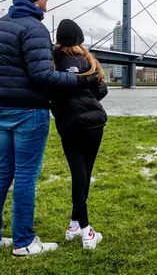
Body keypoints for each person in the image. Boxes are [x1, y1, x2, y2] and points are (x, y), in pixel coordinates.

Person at [0, 0, 101, 257]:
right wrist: (83, 80)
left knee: (3, 172)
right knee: (25, 177)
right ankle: (24, 242)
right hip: (28, 111)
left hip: (1, 108)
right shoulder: (34, 29)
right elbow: (43, 75)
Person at [50, 19, 108, 250]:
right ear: (80, 40)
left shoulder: (51, 62)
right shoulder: (88, 60)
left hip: (68, 124)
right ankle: (86, 231)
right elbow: (101, 91)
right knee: (85, 173)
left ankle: (75, 225)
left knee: (78, 172)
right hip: (94, 124)